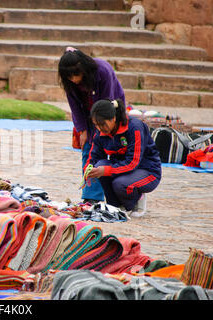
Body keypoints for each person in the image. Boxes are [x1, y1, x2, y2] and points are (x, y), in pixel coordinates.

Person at [58, 46, 125, 204]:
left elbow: (106, 104)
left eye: (76, 74)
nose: (74, 79)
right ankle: (91, 197)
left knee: (109, 149)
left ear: (84, 67)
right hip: (88, 116)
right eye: (69, 76)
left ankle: (119, 194)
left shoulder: (103, 71)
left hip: (109, 113)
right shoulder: (70, 83)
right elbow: (75, 107)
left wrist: (100, 130)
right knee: (88, 150)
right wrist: (82, 130)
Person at [85, 99, 162, 217]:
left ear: (113, 119)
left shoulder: (134, 127)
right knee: (98, 166)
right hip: (122, 169)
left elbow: (133, 162)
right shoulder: (101, 132)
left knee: (120, 184)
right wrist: (88, 169)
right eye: (96, 125)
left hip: (147, 170)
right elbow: (94, 156)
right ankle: (116, 205)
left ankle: (138, 199)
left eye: (102, 124)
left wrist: (106, 170)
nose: (99, 128)